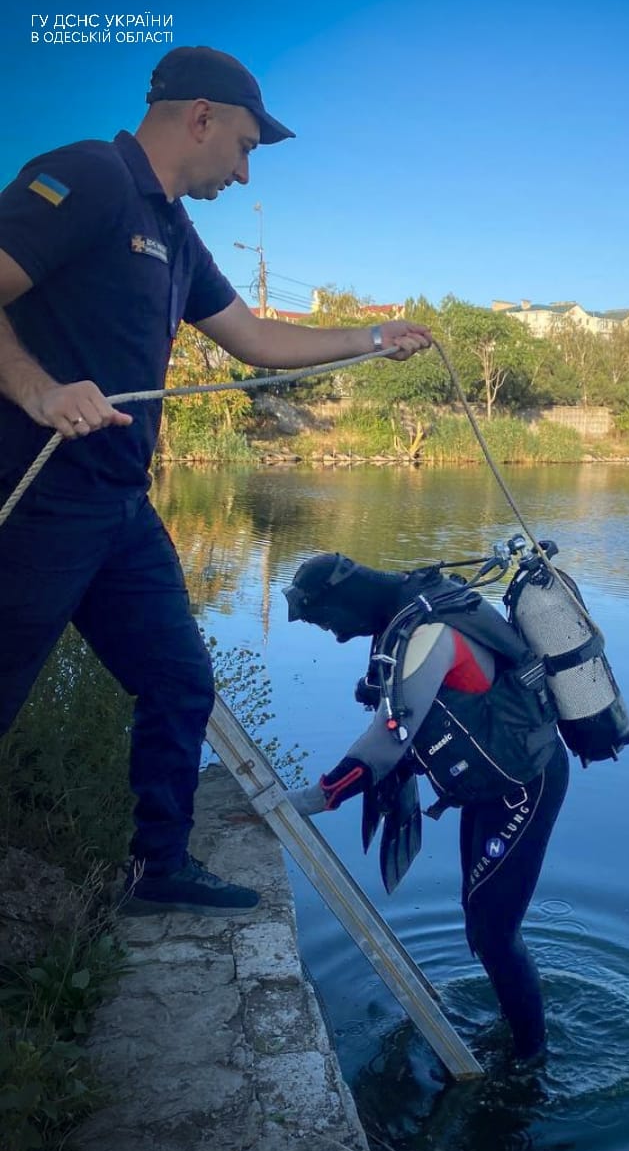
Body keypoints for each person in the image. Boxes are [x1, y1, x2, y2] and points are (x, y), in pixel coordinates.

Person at [0, 45, 433, 914]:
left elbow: (258, 340)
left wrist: (372, 338)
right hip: (39, 503)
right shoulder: (85, 178)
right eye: (241, 146)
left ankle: (156, 871)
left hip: (119, 509)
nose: (243, 170)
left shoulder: (172, 231)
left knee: (180, 681)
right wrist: (38, 388)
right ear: (199, 116)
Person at [283, 552, 570, 1062]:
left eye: (326, 619)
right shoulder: (407, 617)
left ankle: (532, 1059)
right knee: (482, 923)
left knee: (495, 931)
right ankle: (515, 1029)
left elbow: (387, 743)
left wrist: (315, 798)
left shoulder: (426, 633)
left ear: (344, 600)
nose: (333, 633)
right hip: (494, 784)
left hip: (526, 782)